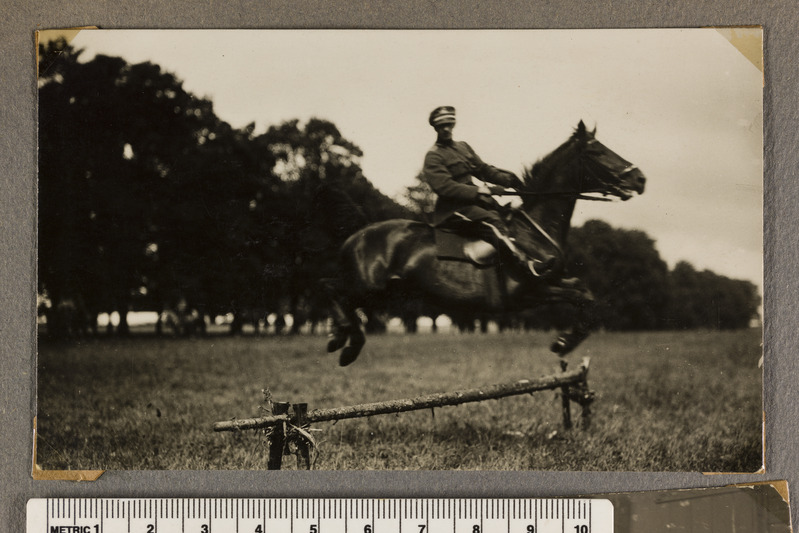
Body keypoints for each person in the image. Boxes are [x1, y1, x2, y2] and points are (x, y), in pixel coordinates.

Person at [422, 105, 553, 278]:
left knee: (512, 217)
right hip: (452, 211)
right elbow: (445, 187)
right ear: (435, 128)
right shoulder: (433, 156)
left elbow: (484, 170)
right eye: (441, 126)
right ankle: (526, 265)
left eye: (449, 124)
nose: (446, 129)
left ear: (453, 125)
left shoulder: (463, 147)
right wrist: (484, 190)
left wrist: (509, 180)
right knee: (492, 222)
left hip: (474, 206)